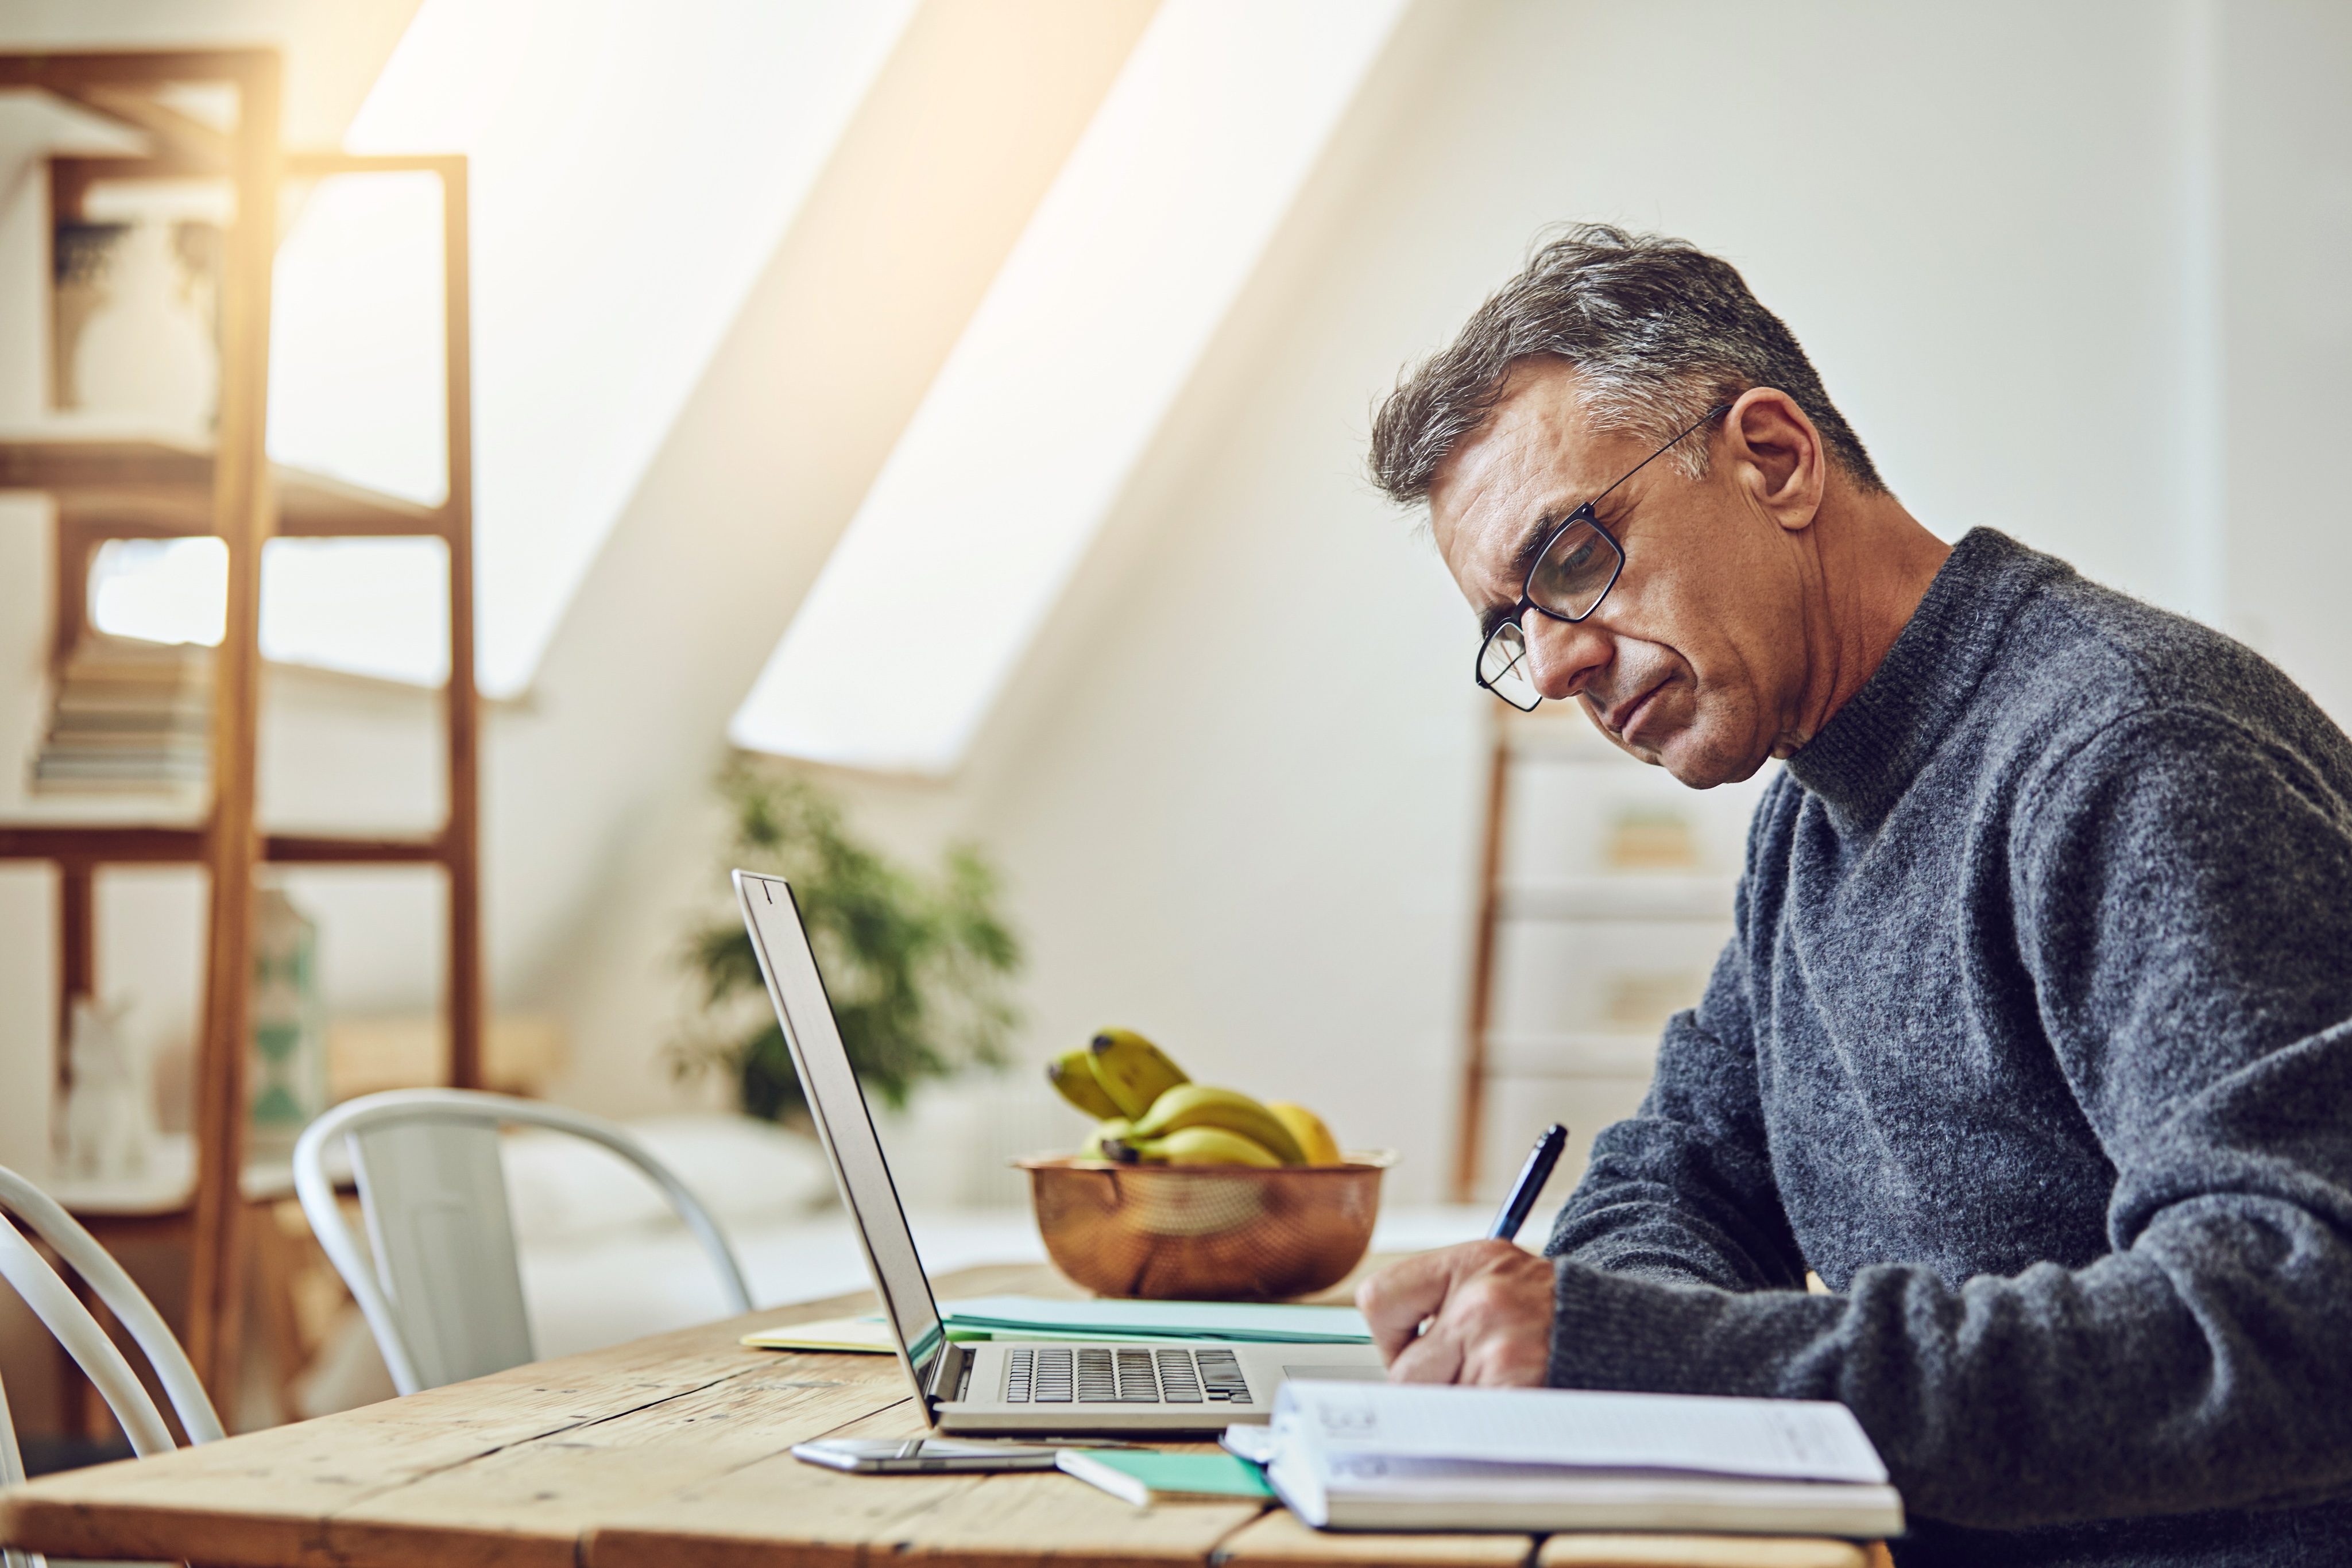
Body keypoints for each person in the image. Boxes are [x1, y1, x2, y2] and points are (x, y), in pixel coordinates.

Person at [1352, 224, 2352, 1565]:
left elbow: (2299, 1316)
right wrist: (1622, 1348)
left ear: (1772, 458)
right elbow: (1676, 1183)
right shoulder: (1807, 820)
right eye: (1509, 628)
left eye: (1573, 561)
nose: (1561, 661)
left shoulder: (2134, 751)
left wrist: (1661, 1361)